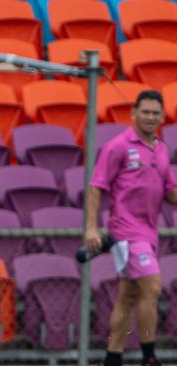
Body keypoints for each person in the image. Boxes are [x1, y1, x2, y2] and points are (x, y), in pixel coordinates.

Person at [86, 90, 177, 366]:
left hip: (149, 232)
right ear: (134, 113)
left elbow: (170, 191)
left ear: (162, 116)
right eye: (145, 111)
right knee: (152, 287)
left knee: (129, 296)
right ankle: (149, 357)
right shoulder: (118, 146)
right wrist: (91, 228)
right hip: (126, 231)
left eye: (155, 112)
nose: (150, 117)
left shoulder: (161, 149)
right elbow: (96, 186)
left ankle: (112, 357)